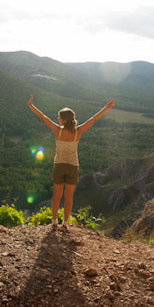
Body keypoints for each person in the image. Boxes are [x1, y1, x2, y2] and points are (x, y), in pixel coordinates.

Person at [28, 95, 115, 231]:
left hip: (59, 166)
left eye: (59, 117)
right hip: (73, 167)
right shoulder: (78, 132)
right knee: (69, 197)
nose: (58, 119)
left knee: (56, 196)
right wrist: (107, 108)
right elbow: (93, 119)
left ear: (63, 120)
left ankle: (54, 221)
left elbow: (43, 117)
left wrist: (31, 106)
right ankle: (65, 223)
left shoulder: (58, 131)